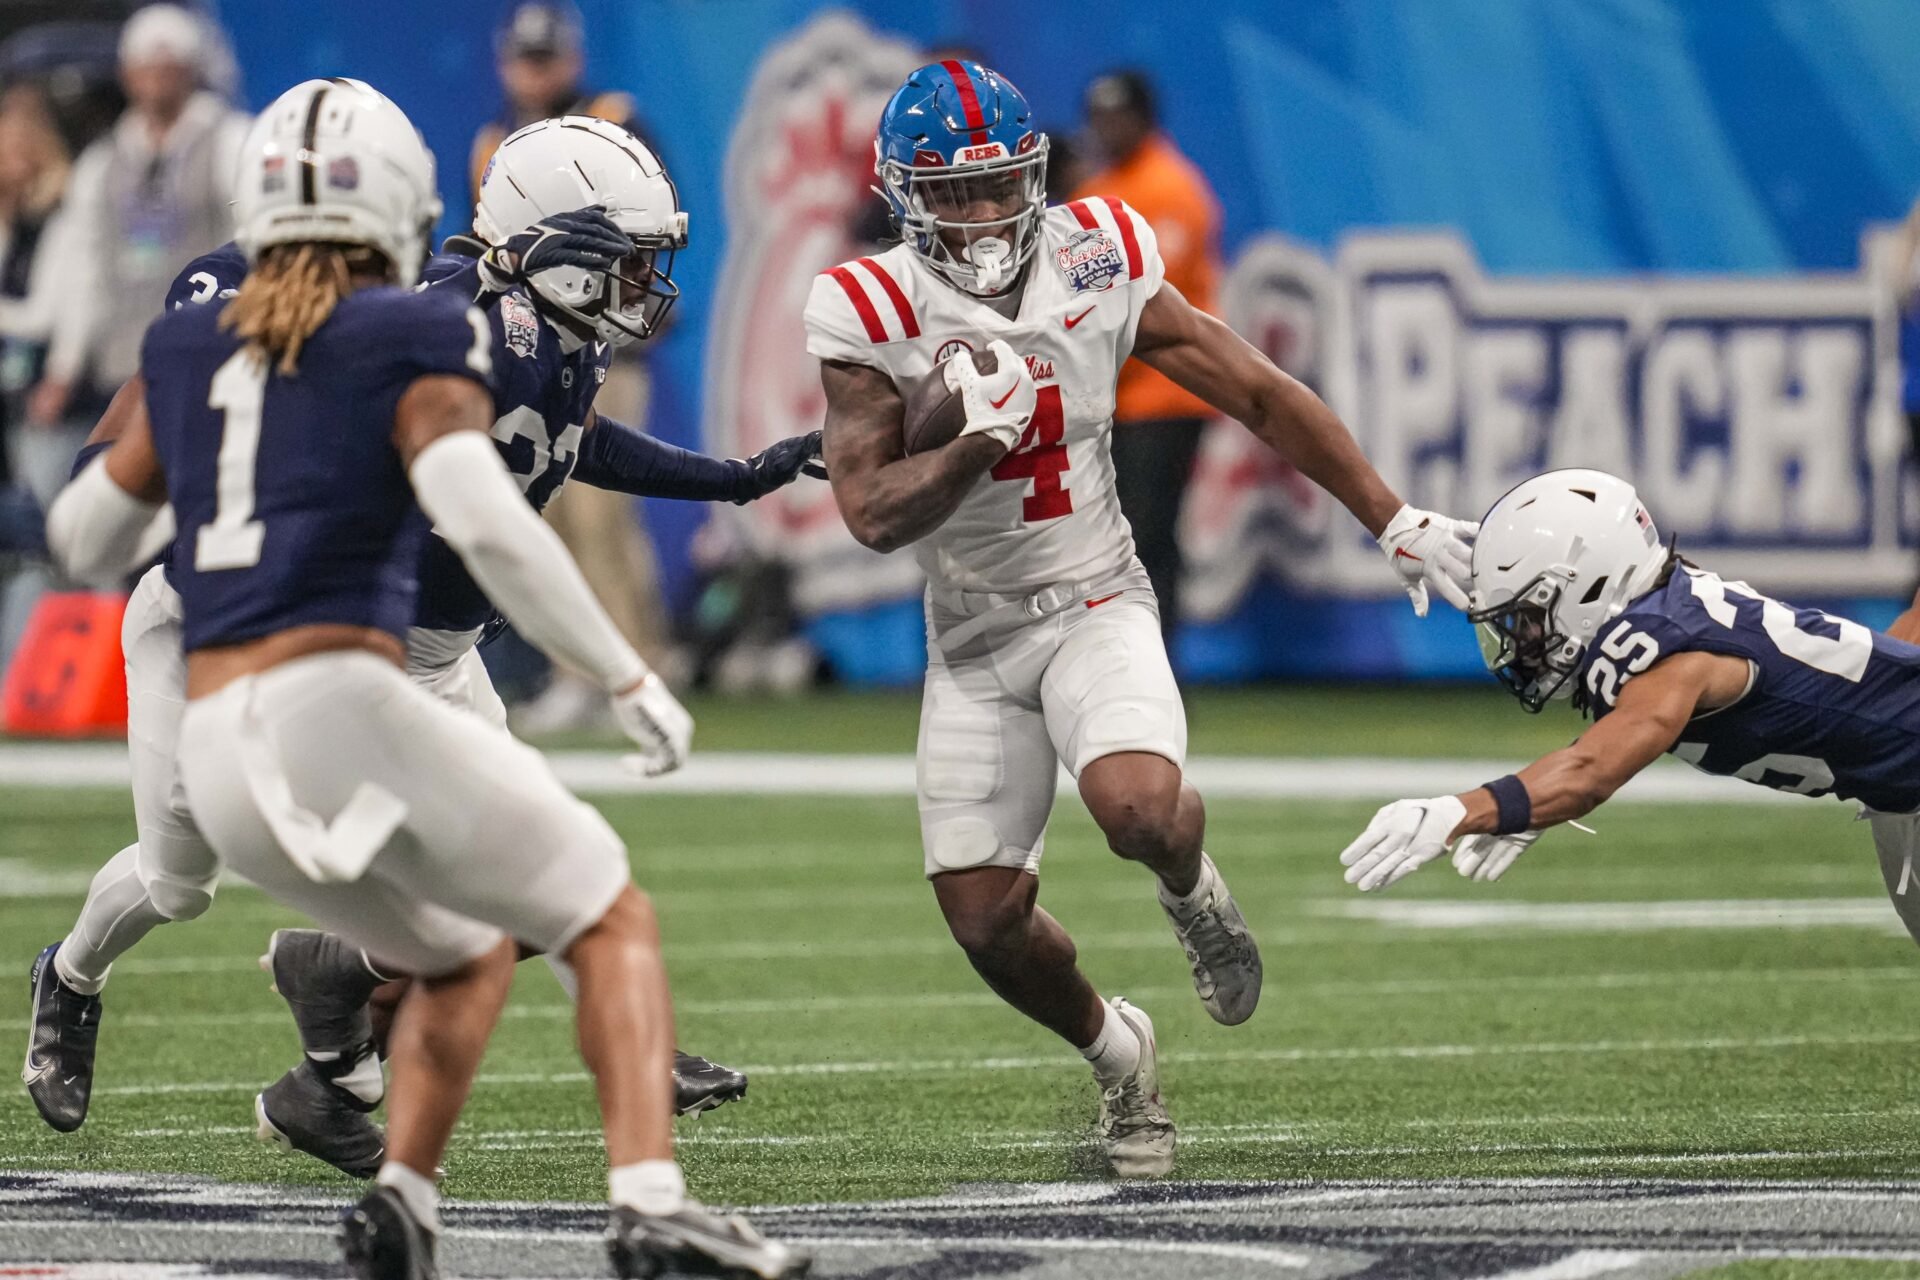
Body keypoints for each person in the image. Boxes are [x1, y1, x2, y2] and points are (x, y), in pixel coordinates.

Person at [42, 78, 804, 1279]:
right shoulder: (422, 328)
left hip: (277, 662)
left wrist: (207, 447)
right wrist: (623, 673)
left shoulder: (204, 331)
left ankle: (357, 1108)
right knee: (566, 898)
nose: (643, 290)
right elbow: (485, 516)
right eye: (620, 262)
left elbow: (79, 535)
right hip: (322, 668)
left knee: (477, 927)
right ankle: (610, 1183)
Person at [805, 59, 1477, 1177]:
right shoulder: (866, 304)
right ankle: (1123, 1058)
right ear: (903, 195)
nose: (982, 215)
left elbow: (1254, 385)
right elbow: (870, 512)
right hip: (970, 636)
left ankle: (1191, 891)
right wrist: (974, 442)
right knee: (984, 919)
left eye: (1000, 185)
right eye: (954, 192)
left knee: (1139, 809)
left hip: (1094, 596)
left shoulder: (1097, 252)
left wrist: (1392, 517)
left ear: (1038, 177)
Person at [1336, 468, 1920, 923]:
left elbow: (1591, 773)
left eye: (1530, 619)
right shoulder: (1670, 608)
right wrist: (1534, 799)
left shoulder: (1665, 646)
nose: (1524, 643)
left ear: (1586, 585)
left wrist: (1461, 810)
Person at [470, 1, 680, 730]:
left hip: (607, 342)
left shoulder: (612, 120)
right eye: (524, 59)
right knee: (551, 510)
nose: (535, 73)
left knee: (599, 512)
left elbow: (657, 223)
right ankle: (588, 669)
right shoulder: (495, 142)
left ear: (571, 58)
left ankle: (633, 667)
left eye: (545, 57)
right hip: (533, 348)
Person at [28, 4, 248, 439]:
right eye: (146, 67)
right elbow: (85, 273)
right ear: (127, 75)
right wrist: (64, 368)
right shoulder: (101, 163)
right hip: (124, 364)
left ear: (191, 70)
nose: (156, 79)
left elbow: (251, 245)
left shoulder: (230, 140)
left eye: (168, 68)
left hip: (210, 354)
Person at [1072, 69, 1223, 642]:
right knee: (1114, 537)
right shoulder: (1095, 191)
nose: (1108, 128)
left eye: (1120, 116)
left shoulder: (1171, 187)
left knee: (1149, 536)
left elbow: (1149, 307)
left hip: (1166, 393)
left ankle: (1158, 664)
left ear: (1145, 118)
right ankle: (1120, 659)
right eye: (1100, 117)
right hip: (1114, 398)